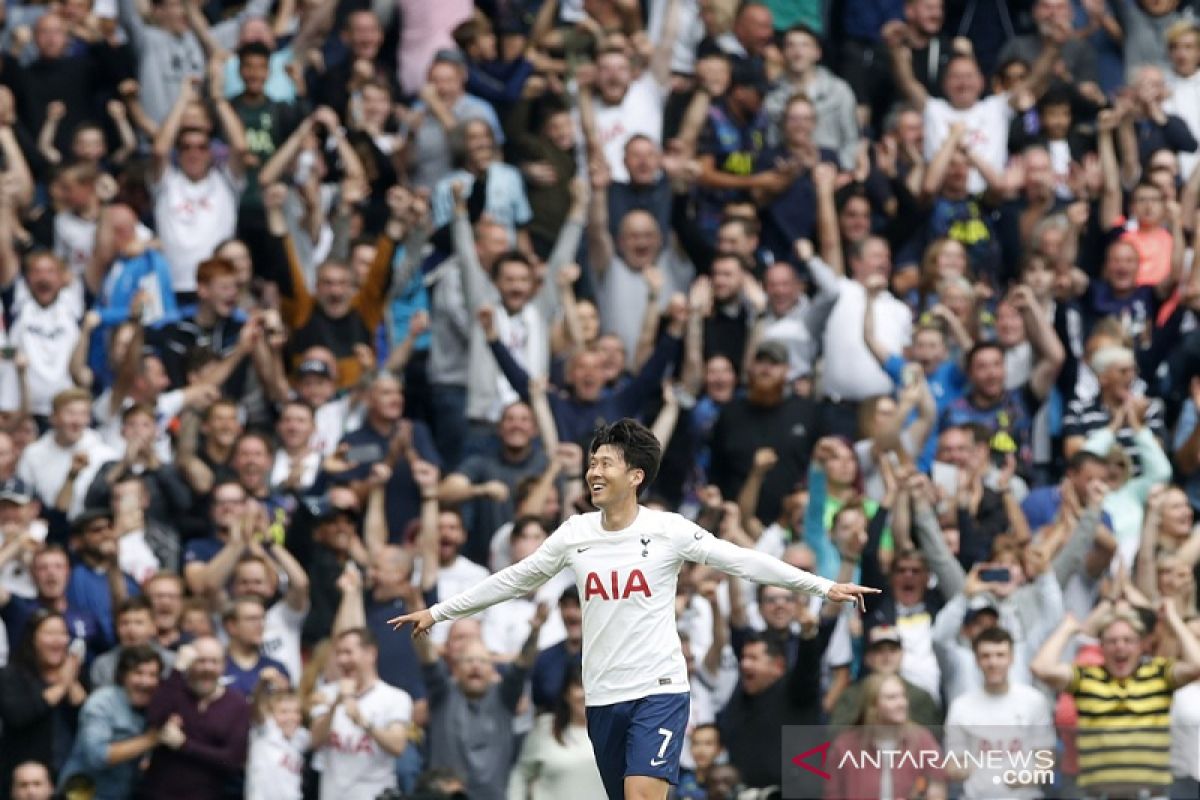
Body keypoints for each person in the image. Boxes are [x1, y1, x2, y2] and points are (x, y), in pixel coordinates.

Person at [390, 418, 877, 800]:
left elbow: (741, 559)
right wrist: (439, 612)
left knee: (642, 794)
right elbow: (515, 577)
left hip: (658, 689)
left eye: (605, 463)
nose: (594, 472)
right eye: (592, 463)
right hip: (602, 697)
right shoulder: (575, 534)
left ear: (635, 475)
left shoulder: (668, 530)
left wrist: (821, 586)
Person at [944, 626, 1055, 798]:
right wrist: (965, 770)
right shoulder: (961, 706)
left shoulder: (1034, 701)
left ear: (1011, 658)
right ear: (976, 660)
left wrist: (1023, 779)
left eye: (1000, 655)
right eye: (986, 656)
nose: (993, 662)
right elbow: (952, 765)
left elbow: (1047, 761)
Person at [311, 627, 411, 800]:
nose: (342, 660)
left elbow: (398, 746)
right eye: (339, 653)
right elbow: (315, 740)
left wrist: (362, 722)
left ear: (370, 654)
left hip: (375, 794)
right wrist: (335, 705)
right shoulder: (325, 694)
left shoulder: (395, 697)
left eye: (348, 652)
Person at [59, 644, 163, 797]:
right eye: (138, 673)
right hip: (85, 792)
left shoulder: (155, 706)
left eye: (152, 675)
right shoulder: (102, 703)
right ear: (123, 676)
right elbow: (98, 756)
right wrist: (150, 740)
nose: (145, 682)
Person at [509, 666, 606, 799]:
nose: (585, 694)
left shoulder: (613, 733)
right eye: (579, 686)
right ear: (566, 693)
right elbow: (521, 774)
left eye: (592, 686)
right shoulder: (545, 727)